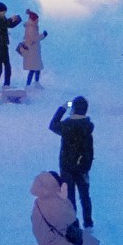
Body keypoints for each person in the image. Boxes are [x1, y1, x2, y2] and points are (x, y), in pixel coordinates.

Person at [30, 171, 123, 245]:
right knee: (87, 240)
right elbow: (70, 219)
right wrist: (64, 199)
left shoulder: (39, 202)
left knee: (81, 236)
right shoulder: (52, 202)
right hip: (54, 242)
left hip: (47, 240)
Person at [48, 95, 95, 226]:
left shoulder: (67, 125)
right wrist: (86, 166)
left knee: (70, 197)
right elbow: (89, 149)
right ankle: (88, 220)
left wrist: (62, 108)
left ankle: (73, 222)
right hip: (82, 166)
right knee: (85, 195)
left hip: (66, 165)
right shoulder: (87, 126)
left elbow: (52, 125)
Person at [0, 3, 22, 93]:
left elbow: (9, 25)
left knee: (7, 65)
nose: (4, 13)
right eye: (3, 12)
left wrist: (17, 19)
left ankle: (7, 84)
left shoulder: (2, 18)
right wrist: (12, 19)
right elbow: (4, 25)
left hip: (3, 45)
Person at [17, 10, 45, 87]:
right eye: (37, 19)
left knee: (35, 68)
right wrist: (43, 35)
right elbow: (34, 38)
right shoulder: (31, 28)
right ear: (34, 19)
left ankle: (32, 83)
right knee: (34, 68)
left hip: (33, 51)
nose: (38, 21)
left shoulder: (32, 27)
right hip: (32, 52)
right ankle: (32, 84)